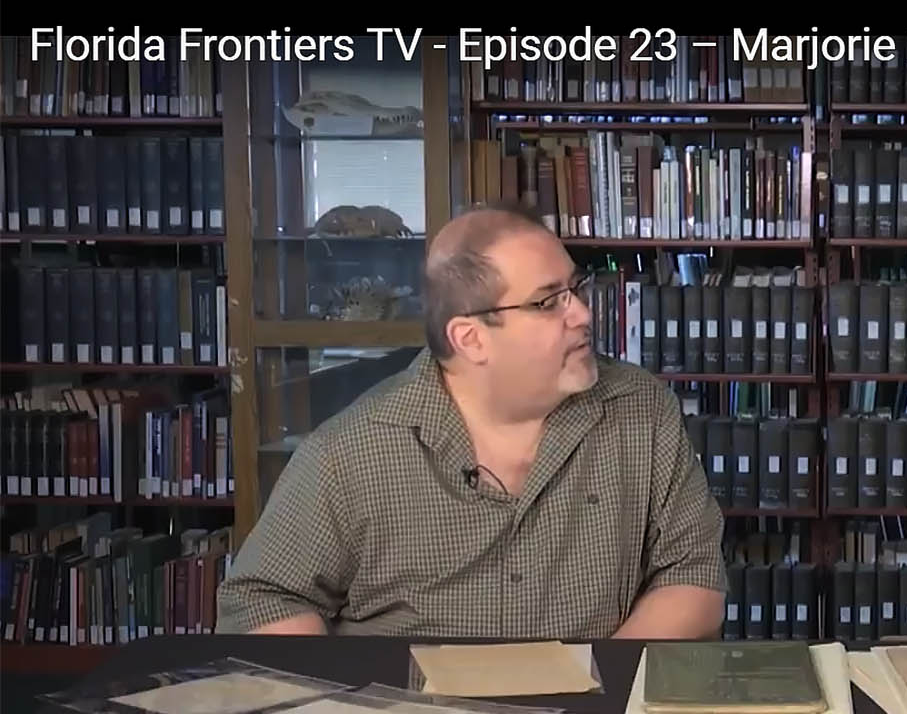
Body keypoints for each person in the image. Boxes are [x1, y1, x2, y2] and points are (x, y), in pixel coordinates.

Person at [216, 204, 728, 639]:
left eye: (576, 289)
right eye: (549, 302)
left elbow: (694, 575)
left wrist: (600, 687)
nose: (582, 314)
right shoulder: (353, 450)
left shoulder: (640, 409)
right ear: (471, 339)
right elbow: (261, 600)